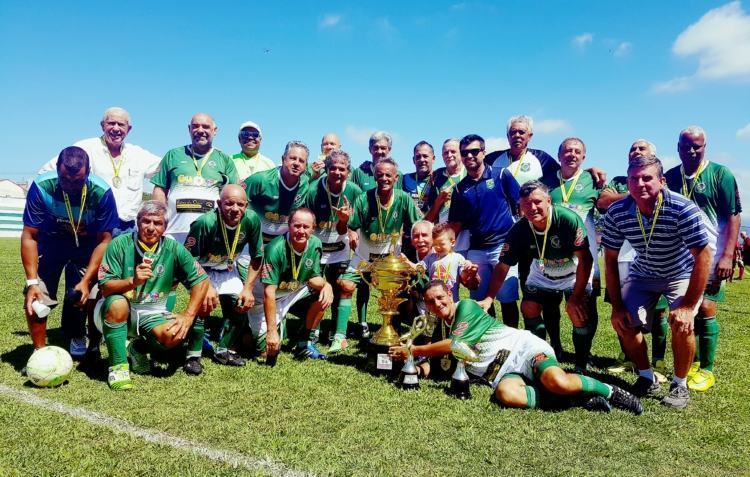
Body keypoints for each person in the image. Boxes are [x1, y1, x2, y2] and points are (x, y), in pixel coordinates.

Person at [389, 281, 643, 414]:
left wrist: (415, 350)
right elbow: (438, 365)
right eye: (431, 302)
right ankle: (578, 399)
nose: (437, 304)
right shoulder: (439, 328)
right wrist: (412, 369)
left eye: (440, 298)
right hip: (500, 373)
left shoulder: (466, 307)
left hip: (522, 349)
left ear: (450, 294)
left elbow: (456, 345)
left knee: (558, 381)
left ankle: (612, 392)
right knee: (507, 395)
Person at [603, 155, 711, 408]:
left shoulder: (681, 208)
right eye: (633, 179)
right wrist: (617, 307)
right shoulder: (618, 212)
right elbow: (609, 260)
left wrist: (687, 307)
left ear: (662, 181)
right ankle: (646, 377)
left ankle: (680, 385)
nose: (640, 184)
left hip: (680, 273)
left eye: (647, 178)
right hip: (643, 274)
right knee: (625, 322)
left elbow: (703, 257)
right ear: (627, 183)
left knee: (682, 323)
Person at [478, 181, 594, 372]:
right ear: (520, 207)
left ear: (548, 201)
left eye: (537, 202)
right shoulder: (519, 229)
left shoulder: (567, 219)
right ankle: (544, 354)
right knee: (528, 307)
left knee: (577, 312)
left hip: (573, 271)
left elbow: (586, 260)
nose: (532, 208)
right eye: (526, 205)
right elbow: (503, 265)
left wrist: (576, 296)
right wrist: (489, 298)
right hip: (542, 271)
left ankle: (581, 363)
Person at [95, 201, 209, 389]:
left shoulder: (173, 248)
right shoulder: (119, 244)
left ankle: (137, 348)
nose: (150, 228)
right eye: (146, 221)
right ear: (138, 222)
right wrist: (132, 281)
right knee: (117, 304)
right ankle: (118, 367)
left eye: (157, 223)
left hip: (153, 310)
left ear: (165, 227)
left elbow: (201, 281)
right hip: (117, 307)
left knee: (175, 336)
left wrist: (188, 316)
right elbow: (105, 288)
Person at [664, 126, 742, 392]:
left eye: (697, 145)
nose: (691, 150)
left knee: (707, 308)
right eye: (686, 146)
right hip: (679, 258)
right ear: (678, 147)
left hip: (711, 253)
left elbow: (733, 216)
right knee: (686, 309)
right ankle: (693, 362)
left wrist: (728, 255)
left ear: (705, 146)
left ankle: (706, 369)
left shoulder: (721, 174)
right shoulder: (670, 176)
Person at [22, 146, 119, 360]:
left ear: (88, 172)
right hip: (51, 245)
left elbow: (105, 241)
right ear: (57, 170)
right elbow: (29, 235)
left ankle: (78, 335)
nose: (72, 187)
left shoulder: (101, 192)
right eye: (65, 180)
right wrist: (32, 283)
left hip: (87, 247)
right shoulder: (42, 187)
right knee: (36, 297)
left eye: (78, 181)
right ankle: (39, 351)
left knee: (85, 294)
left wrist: (86, 281)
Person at [598, 140, 669, 380]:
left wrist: (626, 195)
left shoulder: (657, 176)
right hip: (621, 254)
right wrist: (635, 194)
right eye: (632, 149)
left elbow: (613, 200)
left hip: (652, 254)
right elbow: (602, 203)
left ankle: (658, 360)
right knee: (622, 308)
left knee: (659, 311)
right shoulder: (619, 179)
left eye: (642, 149)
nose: (636, 152)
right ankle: (628, 356)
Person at [37, 107, 161, 235]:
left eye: (121, 124)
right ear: (102, 126)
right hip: (94, 226)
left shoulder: (138, 154)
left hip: (127, 229)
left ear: (128, 129)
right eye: (111, 123)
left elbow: (168, 167)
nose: (116, 128)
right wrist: (62, 215)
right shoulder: (85, 148)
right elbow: (46, 173)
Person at [337, 158, 424, 336]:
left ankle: (394, 330)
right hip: (364, 256)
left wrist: (421, 243)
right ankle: (339, 336)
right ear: (375, 176)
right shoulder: (364, 198)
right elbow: (346, 228)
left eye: (388, 175)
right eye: (380, 175)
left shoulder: (403, 198)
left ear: (395, 178)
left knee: (397, 293)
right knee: (346, 285)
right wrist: (344, 221)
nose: (383, 178)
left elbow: (418, 225)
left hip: (390, 260)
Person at [184, 184, 263, 368]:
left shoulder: (251, 220)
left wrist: (248, 288)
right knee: (203, 305)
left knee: (241, 304)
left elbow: (257, 257)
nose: (235, 209)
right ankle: (192, 356)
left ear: (246, 206)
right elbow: (188, 259)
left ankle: (223, 350)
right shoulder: (205, 222)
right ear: (219, 203)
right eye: (229, 204)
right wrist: (206, 285)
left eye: (240, 205)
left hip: (227, 269)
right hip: (199, 269)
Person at [540, 138, 602, 369]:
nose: (572, 155)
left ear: (584, 157)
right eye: (567, 151)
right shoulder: (546, 180)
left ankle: (584, 354)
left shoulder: (592, 179)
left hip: (585, 254)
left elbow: (606, 202)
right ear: (559, 155)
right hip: (552, 253)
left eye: (577, 151)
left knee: (585, 303)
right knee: (551, 302)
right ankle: (555, 346)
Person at [448, 134, 521, 327]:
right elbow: (454, 225)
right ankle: (489, 340)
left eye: (475, 151)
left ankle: (510, 340)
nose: (470, 156)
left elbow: (520, 205)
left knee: (507, 298)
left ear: (483, 152)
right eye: (465, 153)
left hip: (502, 247)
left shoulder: (501, 174)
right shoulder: (459, 189)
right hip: (476, 250)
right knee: (480, 301)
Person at [246, 208, 334, 362]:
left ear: (313, 228)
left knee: (322, 297)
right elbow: (269, 294)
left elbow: (312, 278)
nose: (301, 231)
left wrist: (327, 286)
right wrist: (271, 332)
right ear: (289, 225)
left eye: (306, 227)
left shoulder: (315, 244)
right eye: (297, 226)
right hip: (264, 300)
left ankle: (304, 342)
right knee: (262, 351)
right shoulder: (275, 249)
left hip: (293, 292)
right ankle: (244, 328)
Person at [304, 150, 363, 353]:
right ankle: (313, 331)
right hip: (317, 247)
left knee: (341, 288)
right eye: (333, 168)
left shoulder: (354, 191)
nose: (337, 172)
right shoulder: (313, 190)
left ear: (348, 171)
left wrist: (347, 224)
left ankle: (339, 335)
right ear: (326, 170)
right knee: (316, 289)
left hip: (340, 247)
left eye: (342, 168)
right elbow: (306, 223)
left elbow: (350, 227)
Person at [151, 113, 238, 244]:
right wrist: (158, 220)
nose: (200, 130)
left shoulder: (225, 160)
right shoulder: (172, 155)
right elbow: (159, 189)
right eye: (195, 126)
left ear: (215, 131)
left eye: (206, 127)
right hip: (174, 232)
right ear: (189, 129)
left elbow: (234, 196)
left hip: (211, 231)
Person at [244, 140, 311, 244]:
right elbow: (235, 198)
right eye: (293, 158)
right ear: (283, 159)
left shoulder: (305, 184)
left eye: (301, 161)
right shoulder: (260, 180)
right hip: (253, 239)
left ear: (306, 166)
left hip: (282, 242)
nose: (296, 163)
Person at [424, 139, 469, 255]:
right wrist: (439, 200)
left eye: (453, 151)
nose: (449, 155)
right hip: (442, 241)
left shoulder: (469, 174)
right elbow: (429, 218)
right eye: (445, 152)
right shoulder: (436, 178)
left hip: (466, 240)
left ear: (460, 152)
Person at [484, 115, 559, 184]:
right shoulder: (492, 159)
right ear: (508, 136)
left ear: (529, 136)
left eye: (521, 132)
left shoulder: (542, 158)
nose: (517, 135)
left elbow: (561, 177)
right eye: (513, 132)